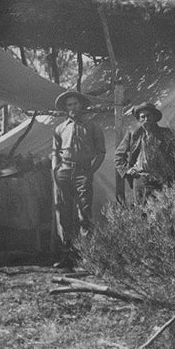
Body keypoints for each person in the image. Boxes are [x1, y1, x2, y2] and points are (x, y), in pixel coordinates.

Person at [51, 90, 105, 269]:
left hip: (83, 172)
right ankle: (67, 255)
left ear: (81, 105)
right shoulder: (60, 128)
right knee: (64, 213)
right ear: (66, 109)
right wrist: (55, 170)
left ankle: (86, 256)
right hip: (64, 172)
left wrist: (91, 171)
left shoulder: (92, 127)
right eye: (69, 105)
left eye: (75, 104)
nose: (72, 107)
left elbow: (101, 152)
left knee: (85, 212)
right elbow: (55, 152)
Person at [114, 102, 175, 200]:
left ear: (154, 117)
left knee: (165, 210)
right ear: (139, 119)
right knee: (143, 212)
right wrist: (128, 170)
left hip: (162, 180)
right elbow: (118, 156)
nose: (146, 119)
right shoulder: (133, 135)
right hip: (141, 180)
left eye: (149, 116)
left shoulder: (165, 133)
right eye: (143, 117)